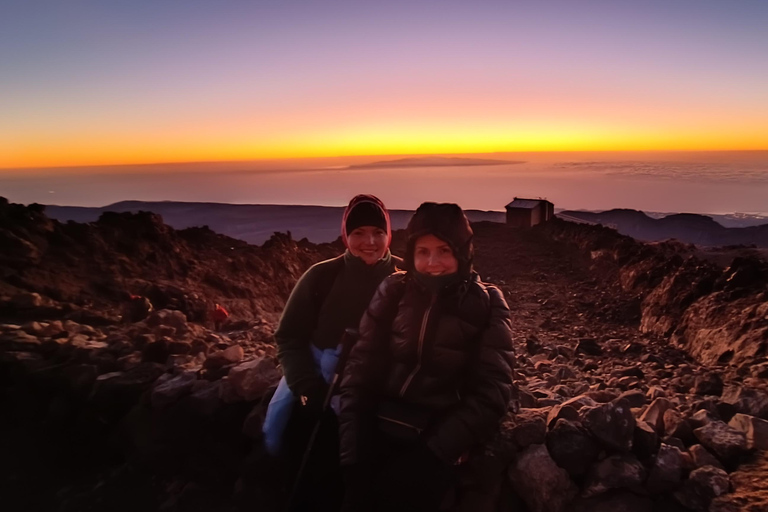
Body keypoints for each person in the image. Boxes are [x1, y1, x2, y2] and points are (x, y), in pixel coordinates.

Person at [338, 202, 515, 512]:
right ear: (411, 253)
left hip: (432, 438)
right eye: (423, 251)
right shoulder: (394, 290)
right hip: (377, 426)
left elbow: (493, 391)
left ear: (462, 252)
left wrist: (432, 453)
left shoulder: (486, 303)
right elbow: (360, 367)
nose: (433, 262)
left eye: (444, 250)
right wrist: (353, 448)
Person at [270, 194, 402, 511]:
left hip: (377, 388)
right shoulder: (321, 276)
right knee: (291, 445)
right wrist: (307, 386)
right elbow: (289, 337)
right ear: (345, 235)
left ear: (389, 235)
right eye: (358, 233)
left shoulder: (405, 279)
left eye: (378, 233)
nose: (369, 242)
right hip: (321, 383)